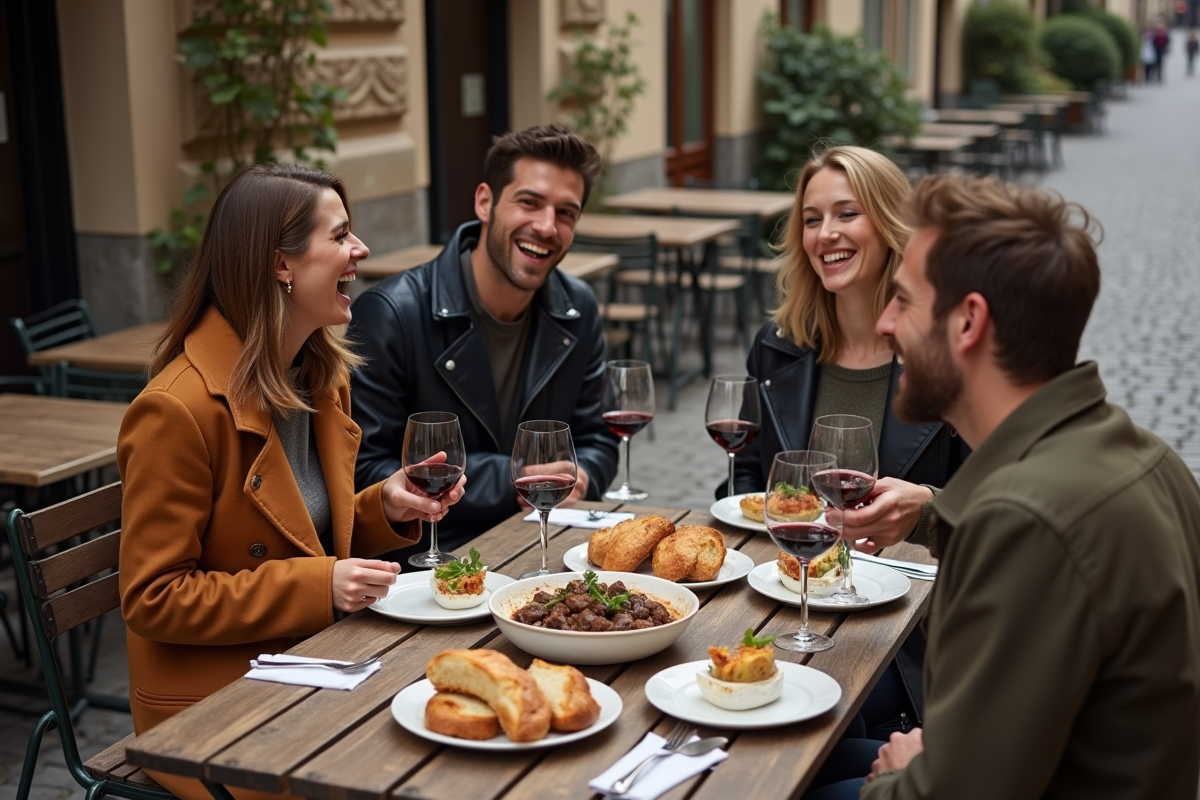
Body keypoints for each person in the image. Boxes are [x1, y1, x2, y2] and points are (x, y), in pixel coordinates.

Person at [118, 164, 464, 800]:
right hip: (213, 705)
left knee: (459, 726)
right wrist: (319, 585)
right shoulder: (177, 410)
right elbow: (153, 598)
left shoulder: (320, 375)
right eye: (341, 236)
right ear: (282, 264)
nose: (360, 251)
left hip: (313, 661)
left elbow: (299, 533)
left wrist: (385, 506)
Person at [849, 175, 1200, 798]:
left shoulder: (1022, 520)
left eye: (903, 301)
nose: (884, 324)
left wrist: (906, 773)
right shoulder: (1155, 461)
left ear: (968, 322)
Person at [349, 124, 619, 559]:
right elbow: (363, 470)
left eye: (566, 213)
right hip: (432, 561)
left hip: (546, 548)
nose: (547, 226)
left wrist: (584, 474)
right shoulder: (392, 314)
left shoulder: (578, 307)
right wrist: (514, 478)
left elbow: (598, 437)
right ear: (484, 202)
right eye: (529, 202)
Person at [721, 145, 968, 553]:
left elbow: (1000, 503)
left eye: (848, 213)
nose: (825, 233)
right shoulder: (776, 345)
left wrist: (927, 510)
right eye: (812, 220)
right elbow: (746, 476)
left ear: (891, 223)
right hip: (794, 590)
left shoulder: (948, 354)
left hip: (913, 602)